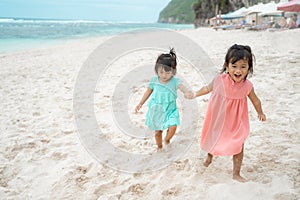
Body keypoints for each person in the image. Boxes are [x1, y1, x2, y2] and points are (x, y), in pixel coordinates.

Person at [191, 44, 266, 182]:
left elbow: (256, 100)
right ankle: (209, 157)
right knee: (213, 140)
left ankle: (236, 173)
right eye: (234, 66)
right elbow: (207, 88)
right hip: (218, 119)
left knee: (239, 144)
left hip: (237, 122)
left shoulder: (247, 86)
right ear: (227, 66)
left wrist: (260, 113)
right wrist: (195, 94)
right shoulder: (220, 80)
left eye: (243, 67)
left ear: (249, 68)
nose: (238, 70)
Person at [135, 48, 193, 151]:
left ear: (173, 71)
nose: (164, 75)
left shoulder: (175, 81)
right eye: (161, 72)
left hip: (171, 110)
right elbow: (148, 92)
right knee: (158, 132)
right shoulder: (154, 81)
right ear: (157, 70)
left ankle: (167, 139)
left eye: (167, 72)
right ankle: (159, 147)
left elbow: (182, 87)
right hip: (157, 110)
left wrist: (187, 92)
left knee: (173, 126)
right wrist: (140, 103)